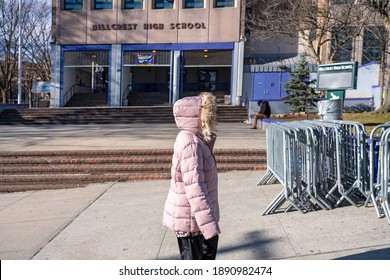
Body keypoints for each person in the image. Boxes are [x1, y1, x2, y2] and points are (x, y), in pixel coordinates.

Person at [162, 92, 220, 260]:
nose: (212, 117)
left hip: (194, 220)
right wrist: (208, 226)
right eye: (209, 113)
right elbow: (195, 188)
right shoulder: (191, 143)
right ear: (197, 116)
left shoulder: (194, 139)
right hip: (192, 223)